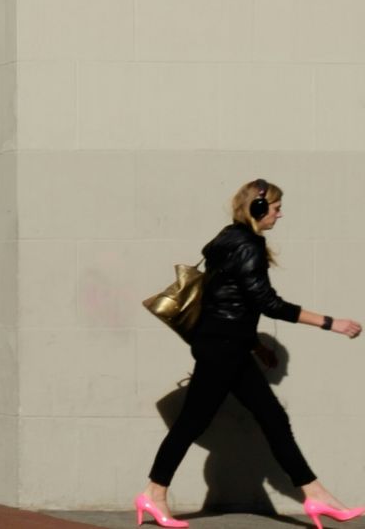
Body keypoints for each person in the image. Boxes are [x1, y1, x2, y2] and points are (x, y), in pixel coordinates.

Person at [137, 179, 363, 529]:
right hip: (224, 349)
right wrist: (330, 323)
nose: (280, 214)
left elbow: (227, 300)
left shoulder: (227, 240)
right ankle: (153, 493)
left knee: (271, 419)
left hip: (227, 346)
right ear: (257, 209)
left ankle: (315, 495)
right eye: (275, 208)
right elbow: (266, 303)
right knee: (196, 422)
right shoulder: (248, 246)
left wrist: (255, 346)